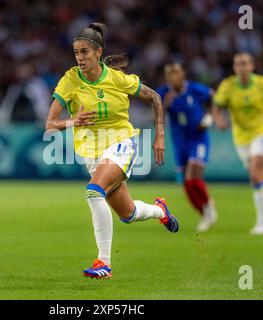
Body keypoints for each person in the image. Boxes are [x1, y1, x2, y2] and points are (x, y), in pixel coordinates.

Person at [45, 23, 179, 279]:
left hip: (121, 143)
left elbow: (155, 98)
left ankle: (103, 263)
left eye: (85, 52)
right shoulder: (70, 79)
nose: (80, 58)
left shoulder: (117, 79)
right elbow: (50, 124)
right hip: (92, 154)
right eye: (76, 53)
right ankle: (161, 211)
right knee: (128, 214)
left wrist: (160, 134)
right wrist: (74, 121)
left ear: (98, 52)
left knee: (93, 192)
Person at [212, 52, 263, 235]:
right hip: (241, 136)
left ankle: (262, 224)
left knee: (256, 173)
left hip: (262, 131)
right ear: (234, 67)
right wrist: (218, 120)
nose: (241, 67)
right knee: (256, 176)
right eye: (238, 64)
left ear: (252, 66)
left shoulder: (262, 83)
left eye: (245, 64)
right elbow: (216, 106)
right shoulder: (228, 86)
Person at [157, 63, 217, 232]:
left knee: (193, 176)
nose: (173, 77)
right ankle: (205, 213)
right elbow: (157, 112)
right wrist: (165, 106)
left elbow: (214, 98)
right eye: (169, 74)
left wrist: (209, 117)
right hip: (179, 142)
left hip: (198, 138)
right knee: (186, 184)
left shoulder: (196, 89)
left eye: (176, 73)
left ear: (182, 74)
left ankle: (208, 205)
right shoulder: (164, 93)